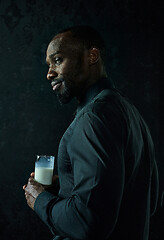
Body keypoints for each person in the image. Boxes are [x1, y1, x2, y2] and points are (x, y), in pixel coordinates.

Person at [23, 26, 159, 240]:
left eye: (57, 60)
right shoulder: (130, 113)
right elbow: (148, 201)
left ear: (92, 56)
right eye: (49, 65)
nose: (49, 73)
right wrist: (68, 185)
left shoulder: (93, 118)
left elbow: (86, 222)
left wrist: (39, 199)